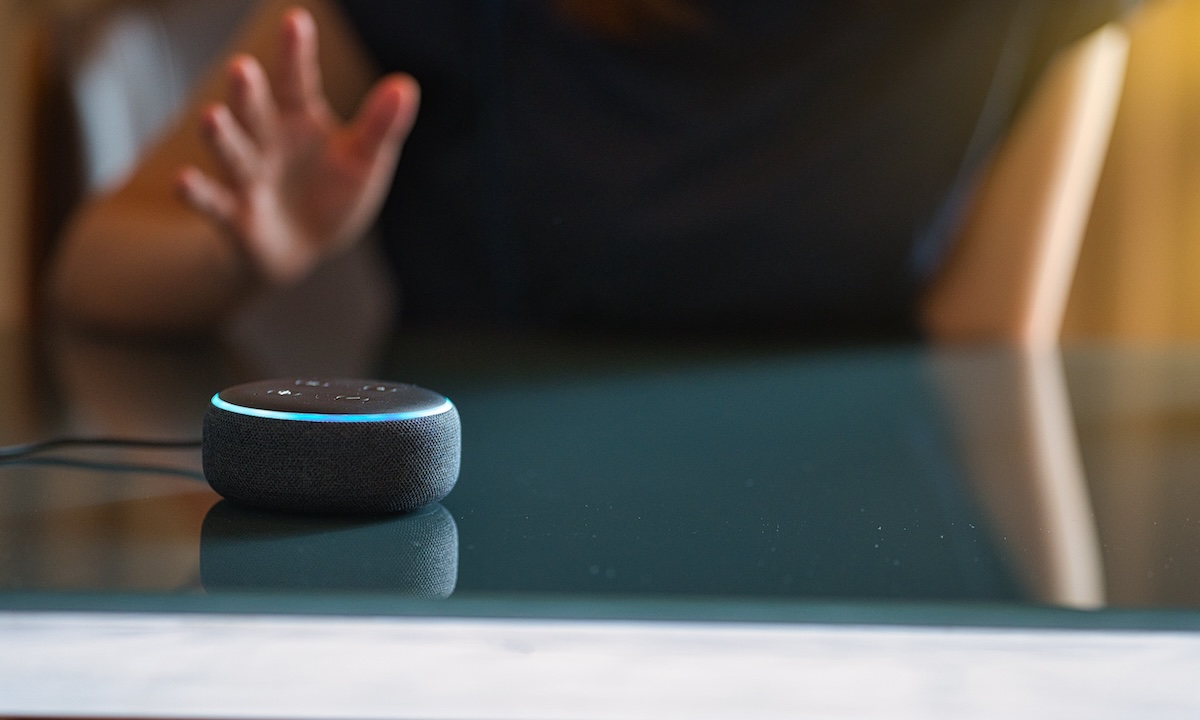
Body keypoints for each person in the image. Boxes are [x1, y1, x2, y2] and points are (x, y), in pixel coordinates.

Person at [47, 0, 1135, 339]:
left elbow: (995, 376)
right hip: (477, 587)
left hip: (863, 595)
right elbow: (91, 266)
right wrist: (241, 254)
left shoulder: (1024, 15)